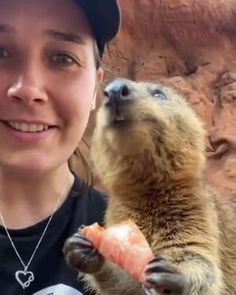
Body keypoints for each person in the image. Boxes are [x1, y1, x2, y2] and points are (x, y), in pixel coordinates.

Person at [0, 0, 120, 294]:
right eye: (1, 52)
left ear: (95, 89)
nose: (28, 89)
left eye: (63, 58)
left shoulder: (135, 247)